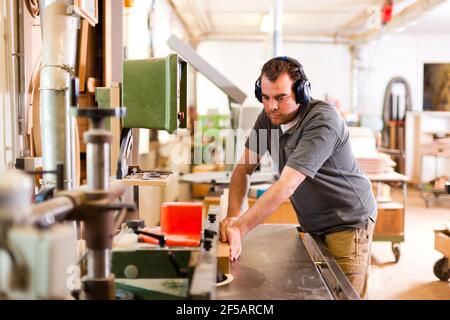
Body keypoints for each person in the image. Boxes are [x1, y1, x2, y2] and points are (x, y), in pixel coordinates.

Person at [219, 56, 377, 299]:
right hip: (313, 222)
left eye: (280, 98)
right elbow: (243, 169)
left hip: (347, 220)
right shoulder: (268, 118)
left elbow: (286, 185)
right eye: (266, 97)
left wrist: (241, 228)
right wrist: (232, 218)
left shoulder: (323, 121)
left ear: (301, 92)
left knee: (341, 294)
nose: (271, 106)